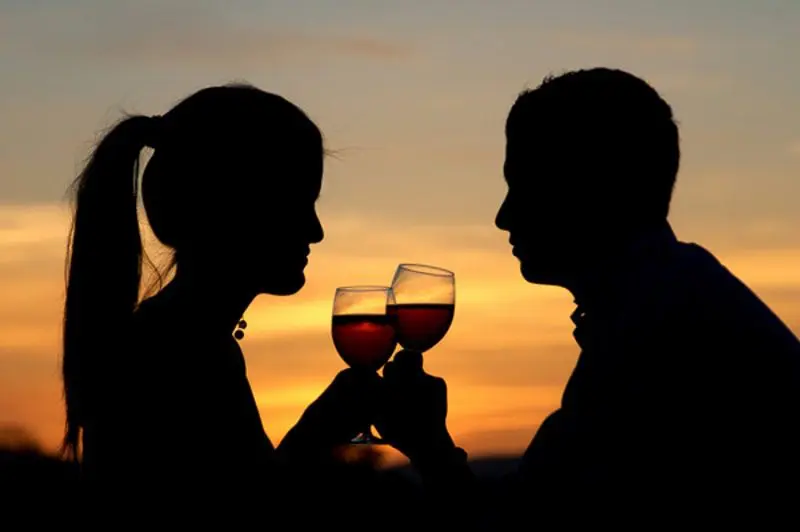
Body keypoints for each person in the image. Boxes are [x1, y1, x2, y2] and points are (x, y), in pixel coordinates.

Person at [376, 68, 800, 523]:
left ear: (589, 185)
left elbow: (526, 528)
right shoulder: (668, 295)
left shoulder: (657, 330)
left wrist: (429, 447)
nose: (503, 216)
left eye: (523, 185)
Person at [61, 84, 380, 509]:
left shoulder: (186, 340)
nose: (315, 230)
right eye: (298, 203)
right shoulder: (174, 355)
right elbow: (238, 519)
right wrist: (317, 433)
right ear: (238, 205)